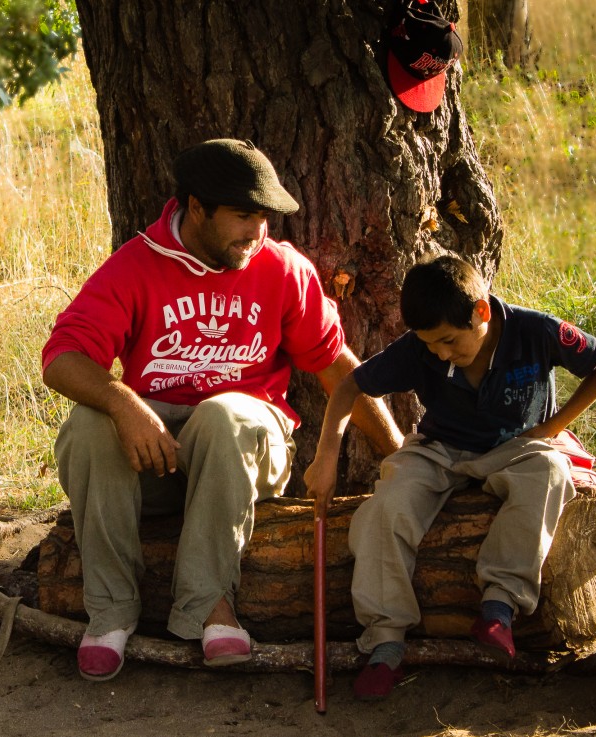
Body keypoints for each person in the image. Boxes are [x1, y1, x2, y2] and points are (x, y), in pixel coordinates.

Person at [42, 138, 403, 681]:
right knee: (91, 423)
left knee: (223, 415)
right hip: (159, 458)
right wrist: (122, 403)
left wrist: (397, 456)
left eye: (264, 218)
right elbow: (61, 358)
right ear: (197, 207)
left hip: (243, 445)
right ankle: (110, 613)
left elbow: (338, 368)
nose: (257, 232)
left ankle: (210, 606)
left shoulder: (283, 270)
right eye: (242, 216)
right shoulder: (136, 265)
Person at [305, 254, 596, 700]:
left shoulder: (537, 330)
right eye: (432, 345)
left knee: (549, 471)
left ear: (482, 311)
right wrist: (326, 455)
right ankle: (386, 640)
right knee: (384, 509)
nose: (441, 353)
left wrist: (551, 428)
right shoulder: (420, 347)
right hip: (439, 450)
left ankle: (499, 604)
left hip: (514, 447)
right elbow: (349, 386)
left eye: (450, 341)